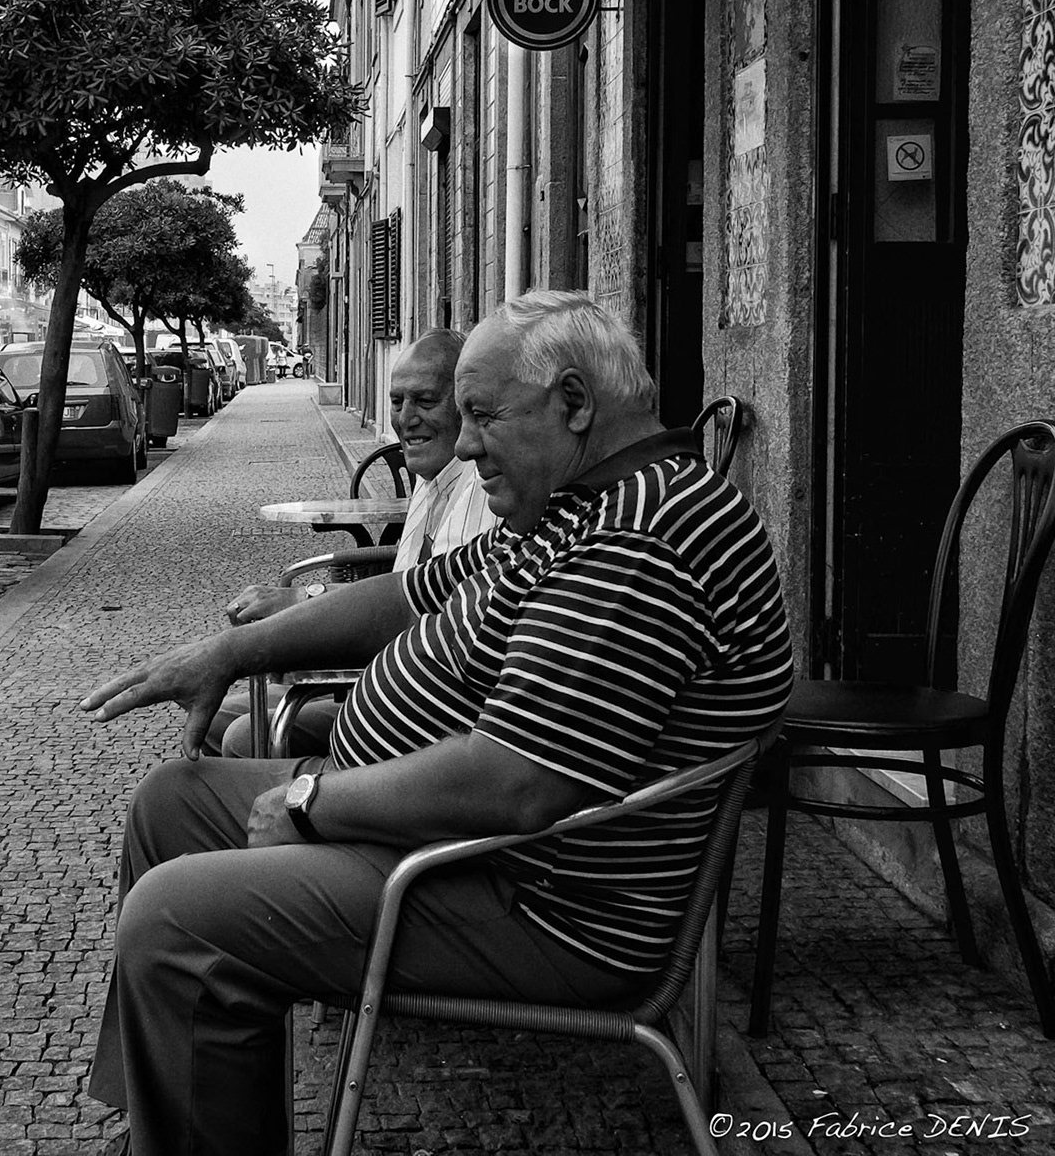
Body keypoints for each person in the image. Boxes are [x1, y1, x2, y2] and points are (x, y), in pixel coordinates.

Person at [79, 290, 793, 1156]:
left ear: (573, 403)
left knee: (175, 919)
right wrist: (229, 654)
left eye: (482, 417)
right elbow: (405, 594)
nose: (464, 445)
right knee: (171, 803)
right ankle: (159, 1122)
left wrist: (310, 802)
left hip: (533, 898)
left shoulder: (637, 539)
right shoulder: (577, 504)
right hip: (461, 846)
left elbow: (514, 783)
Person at [208, 328, 498, 756]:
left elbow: (429, 620)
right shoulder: (431, 478)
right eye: (397, 402)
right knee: (221, 717)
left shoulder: (486, 487)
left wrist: (302, 608)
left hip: (425, 709)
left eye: (425, 401)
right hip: (393, 677)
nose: (405, 418)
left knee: (239, 737)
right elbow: (407, 589)